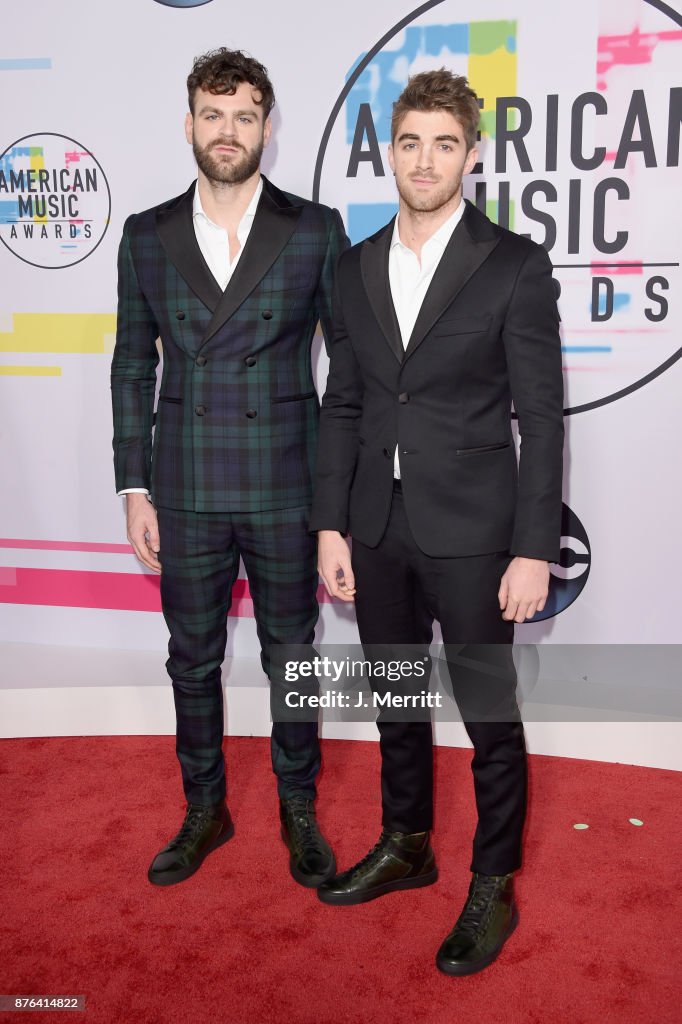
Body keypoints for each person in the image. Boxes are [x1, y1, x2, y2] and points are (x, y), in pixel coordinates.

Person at [311, 69, 564, 975]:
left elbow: (542, 417)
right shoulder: (352, 266)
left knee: (490, 717)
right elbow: (343, 403)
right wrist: (331, 525)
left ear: (471, 155)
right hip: (375, 527)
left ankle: (492, 881)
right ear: (390, 150)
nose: (425, 160)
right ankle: (407, 843)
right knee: (398, 702)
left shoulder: (513, 264)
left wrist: (534, 547)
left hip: (476, 534)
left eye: (444, 144)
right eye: (410, 142)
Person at [111, 48, 347, 889]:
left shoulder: (314, 228)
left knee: (293, 653)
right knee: (191, 656)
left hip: (288, 480)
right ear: (188, 124)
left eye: (245, 115)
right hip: (185, 486)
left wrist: (336, 502)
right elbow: (132, 366)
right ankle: (204, 806)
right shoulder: (147, 233)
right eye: (213, 114)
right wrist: (133, 486)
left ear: (267, 129)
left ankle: (297, 807)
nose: (228, 131)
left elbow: (346, 367)